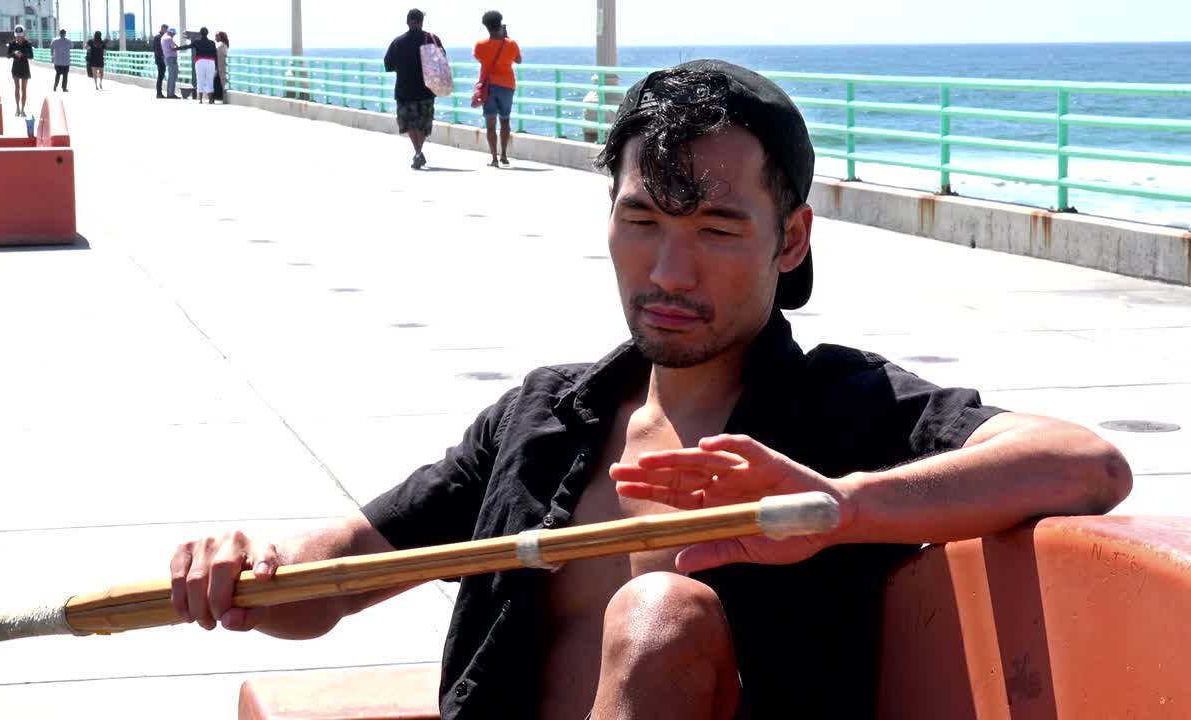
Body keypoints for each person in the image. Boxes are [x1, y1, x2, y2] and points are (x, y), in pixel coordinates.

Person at [167, 60, 1132, 720]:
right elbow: (336, 577)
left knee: (659, 615)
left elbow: (1086, 464)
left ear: (790, 239)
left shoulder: (843, 408)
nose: (668, 273)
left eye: (715, 230)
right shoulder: (544, 420)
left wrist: (836, 508)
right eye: (641, 223)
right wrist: (250, 570)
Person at [384, 8, 443, 170]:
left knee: (410, 124)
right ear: (422, 22)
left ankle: (418, 152)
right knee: (423, 124)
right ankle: (419, 152)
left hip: (405, 90)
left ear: (407, 21)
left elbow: (388, 64)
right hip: (427, 89)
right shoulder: (431, 39)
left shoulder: (398, 42)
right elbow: (442, 60)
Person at [473, 10, 521, 167]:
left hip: (488, 87)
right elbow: (518, 60)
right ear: (501, 25)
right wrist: (505, 37)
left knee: (490, 124)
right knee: (505, 121)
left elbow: (479, 58)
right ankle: (504, 156)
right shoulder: (511, 44)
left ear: (487, 27)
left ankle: (494, 158)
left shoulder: (480, 46)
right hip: (507, 86)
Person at [6, 26, 34, 117]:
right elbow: (8, 55)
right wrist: (14, 53)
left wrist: (22, 54)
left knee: (24, 89)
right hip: (16, 68)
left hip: (25, 68)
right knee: (17, 88)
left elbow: (31, 56)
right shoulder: (12, 43)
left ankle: (23, 109)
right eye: (17, 35)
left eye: (20, 35)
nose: (18, 37)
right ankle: (17, 108)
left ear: (23, 35)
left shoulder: (28, 43)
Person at [189, 27, 218, 105]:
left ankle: (201, 99)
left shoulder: (197, 42)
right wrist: (216, 66)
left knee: (200, 79)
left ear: (200, 33)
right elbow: (215, 54)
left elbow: (187, 46)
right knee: (210, 80)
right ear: (207, 33)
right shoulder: (212, 42)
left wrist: (176, 49)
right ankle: (210, 100)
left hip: (200, 61)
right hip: (211, 62)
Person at [161, 27, 189, 99]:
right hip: (172, 58)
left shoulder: (163, 38)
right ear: (170, 33)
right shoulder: (169, 39)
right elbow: (174, 47)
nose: (173, 35)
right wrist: (177, 47)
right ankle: (171, 94)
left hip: (167, 58)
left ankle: (169, 93)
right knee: (173, 76)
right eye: (173, 34)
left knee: (170, 76)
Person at [152, 24, 169, 98]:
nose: (166, 31)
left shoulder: (160, 37)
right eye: (166, 29)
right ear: (163, 29)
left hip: (161, 59)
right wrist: (162, 57)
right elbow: (157, 49)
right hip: (160, 59)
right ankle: (159, 93)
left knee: (161, 75)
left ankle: (159, 93)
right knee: (160, 76)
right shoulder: (158, 37)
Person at [213, 31, 230, 104]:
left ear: (221, 37)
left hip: (219, 67)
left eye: (216, 36)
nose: (215, 38)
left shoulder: (220, 45)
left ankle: (218, 98)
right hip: (222, 67)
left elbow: (215, 54)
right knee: (222, 82)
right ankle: (221, 97)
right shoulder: (225, 45)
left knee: (217, 82)